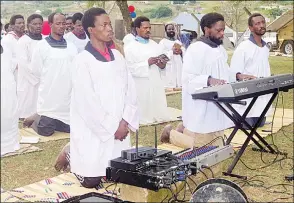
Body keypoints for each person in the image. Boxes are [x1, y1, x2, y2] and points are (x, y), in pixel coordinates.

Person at [54, 8, 139, 189]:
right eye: (104, 25)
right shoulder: (82, 61)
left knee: (118, 176)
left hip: (120, 127)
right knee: (92, 181)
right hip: (95, 129)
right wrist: (111, 127)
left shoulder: (118, 56)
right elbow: (87, 103)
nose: (110, 29)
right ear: (91, 29)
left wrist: (125, 121)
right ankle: (71, 154)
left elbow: (130, 90)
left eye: (110, 24)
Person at [160, 13, 255, 149]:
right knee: (205, 148)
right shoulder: (195, 49)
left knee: (219, 145)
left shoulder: (220, 49)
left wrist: (239, 76)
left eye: (223, 30)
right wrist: (209, 80)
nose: (222, 34)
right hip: (201, 107)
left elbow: (225, 71)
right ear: (206, 29)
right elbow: (188, 79)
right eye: (218, 30)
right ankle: (170, 134)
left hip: (217, 106)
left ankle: (184, 130)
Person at [23, 12, 78, 136]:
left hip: (67, 98)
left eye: (64, 23)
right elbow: (36, 70)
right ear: (51, 24)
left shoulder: (71, 46)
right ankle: (35, 119)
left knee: (71, 129)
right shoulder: (41, 46)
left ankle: (55, 121)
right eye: (58, 23)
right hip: (49, 97)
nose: (62, 26)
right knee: (46, 131)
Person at [124, 16, 171, 125]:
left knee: (157, 102)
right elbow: (129, 68)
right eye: (145, 28)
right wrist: (147, 63)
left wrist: (162, 65)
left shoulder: (155, 45)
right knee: (144, 106)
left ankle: (158, 115)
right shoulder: (130, 47)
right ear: (137, 29)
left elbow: (163, 66)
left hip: (155, 80)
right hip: (141, 83)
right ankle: (144, 116)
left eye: (149, 27)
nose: (148, 30)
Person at [230, 13, 271, 129]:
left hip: (263, 93)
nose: (261, 25)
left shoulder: (265, 47)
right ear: (250, 28)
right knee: (247, 125)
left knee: (260, 123)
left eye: (263, 22)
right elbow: (234, 73)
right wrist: (242, 76)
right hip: (247, 97)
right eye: (257, 23)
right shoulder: (243, 47)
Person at [16, 14, 43, 120]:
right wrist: (38, 79)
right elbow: (23, 65)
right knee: (27, 110)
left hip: (44, 81)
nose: (38, 26)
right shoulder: (23, 41)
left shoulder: (45, 41)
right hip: (29, 82)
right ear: (28, 25)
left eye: (40, 24)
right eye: (35, 24)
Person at [1, 40, 20, 156]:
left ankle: (9, 144)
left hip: (8, 87)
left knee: (9, 114)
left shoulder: (6, 47)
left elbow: (11, 65)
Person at [159, 23, 184, 89]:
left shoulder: (178, 41)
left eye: (172, 29)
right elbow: (161, 54)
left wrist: (181, 52)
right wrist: (171, 52)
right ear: (166, 31)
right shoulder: (163, 42)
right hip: (169, 65)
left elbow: (185, 52)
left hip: (178, 65)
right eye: (169, 29)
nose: (171, 30)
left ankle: (179, 84)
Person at [2, 15, 25, 82]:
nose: (22, 25)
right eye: (19, 23)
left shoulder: (27, 38)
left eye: (23, 23)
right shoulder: (7, 40)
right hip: (14, 74)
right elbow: (6, 60)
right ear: (12, 26)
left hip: (27, 74)